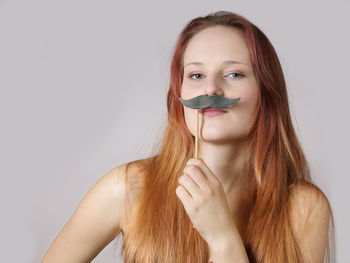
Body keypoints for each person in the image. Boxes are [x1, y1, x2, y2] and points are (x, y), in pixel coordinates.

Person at [41, 10, 335, 263]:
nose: (211, 90)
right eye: (196, 75)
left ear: (267, 94)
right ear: (178, 95)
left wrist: (223, 240)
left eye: (234, 74)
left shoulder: (304, 208)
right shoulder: (129, 188)